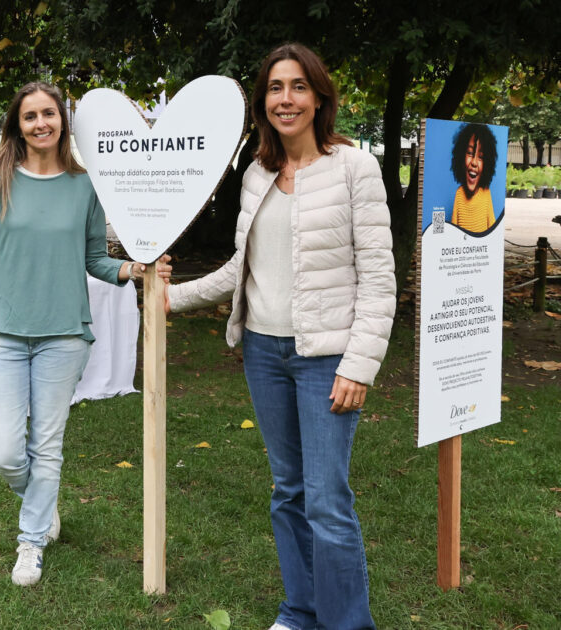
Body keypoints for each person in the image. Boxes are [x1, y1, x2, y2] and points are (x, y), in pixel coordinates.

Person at [165, 43, 395, 630]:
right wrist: (168, 297)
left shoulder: (354, 169)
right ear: (263, 101)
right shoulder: (258, 174)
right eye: (274, 88)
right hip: (263, 353)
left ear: (319, 96)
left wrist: (358, 366)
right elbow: (238, 268)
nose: (285, 99)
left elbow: (378, 279)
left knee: (327, 501)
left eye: (297, 86)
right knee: (288, 491)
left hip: (327, 358)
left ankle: (348, 624)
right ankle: (300, 611)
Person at [0, 81, 170, 587]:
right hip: (4, 331)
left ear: (63, 120)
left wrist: (134, 270)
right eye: (30, 116)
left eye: (49, 114)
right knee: (5, 452)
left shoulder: (85, 186)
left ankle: (31, 541)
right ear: (17, 123)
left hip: (63, 335)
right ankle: (41, 500)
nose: (41, 124)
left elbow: (94, 259)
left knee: (48, 444)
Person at [449, 122, 499, 234]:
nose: (474, 163)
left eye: (481, 157)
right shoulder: (459, 194)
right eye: (470, 153)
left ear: (487, 164)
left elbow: (493, 229)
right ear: (461, 156)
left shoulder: (486, 193)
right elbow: (453, 230)